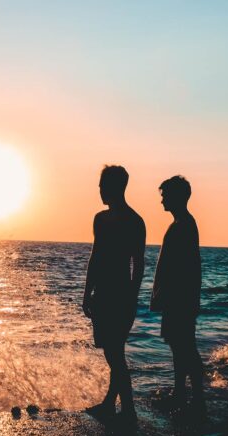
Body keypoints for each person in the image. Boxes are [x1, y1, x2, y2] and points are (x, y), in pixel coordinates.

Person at [83, 165, 146, 421]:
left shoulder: (134, 220)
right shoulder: (100, 218)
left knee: (115, 353)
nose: (99, 191)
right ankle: (111, 403)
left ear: (115, 187)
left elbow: (138, 263)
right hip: (102, 293)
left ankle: (127, 408)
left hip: (120, 295)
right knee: (112, 351)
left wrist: (131, 297)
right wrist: (87, 292)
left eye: (102, 186)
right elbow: (95, 256)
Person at [150, 175, 204, 412]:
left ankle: (196, 397)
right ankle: (181, 393)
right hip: (178, 298)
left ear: (176, 196)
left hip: (180, 299)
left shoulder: (184, 225)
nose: (161, 199)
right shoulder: (181, 223)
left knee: (185, 346)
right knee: (179, 345)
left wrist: (170, 295)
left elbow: (185, 267)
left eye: (165, 195)